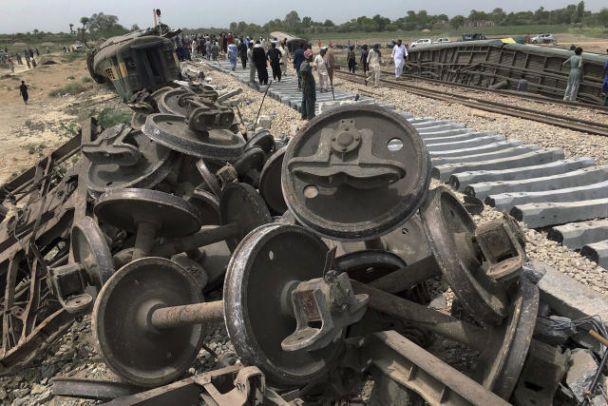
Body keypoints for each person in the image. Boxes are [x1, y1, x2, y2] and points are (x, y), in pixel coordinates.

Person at [300, 49, 316, 120]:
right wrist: (307, 81)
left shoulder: (304, 64)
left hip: (306, 84)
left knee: (305, 99)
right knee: (309, 100)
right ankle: (310, 116)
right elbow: (303, 73)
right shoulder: (305, 65)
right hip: (307, 85)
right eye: (311, 56)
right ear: (307, 57)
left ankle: (304, 115)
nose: (312, 57)